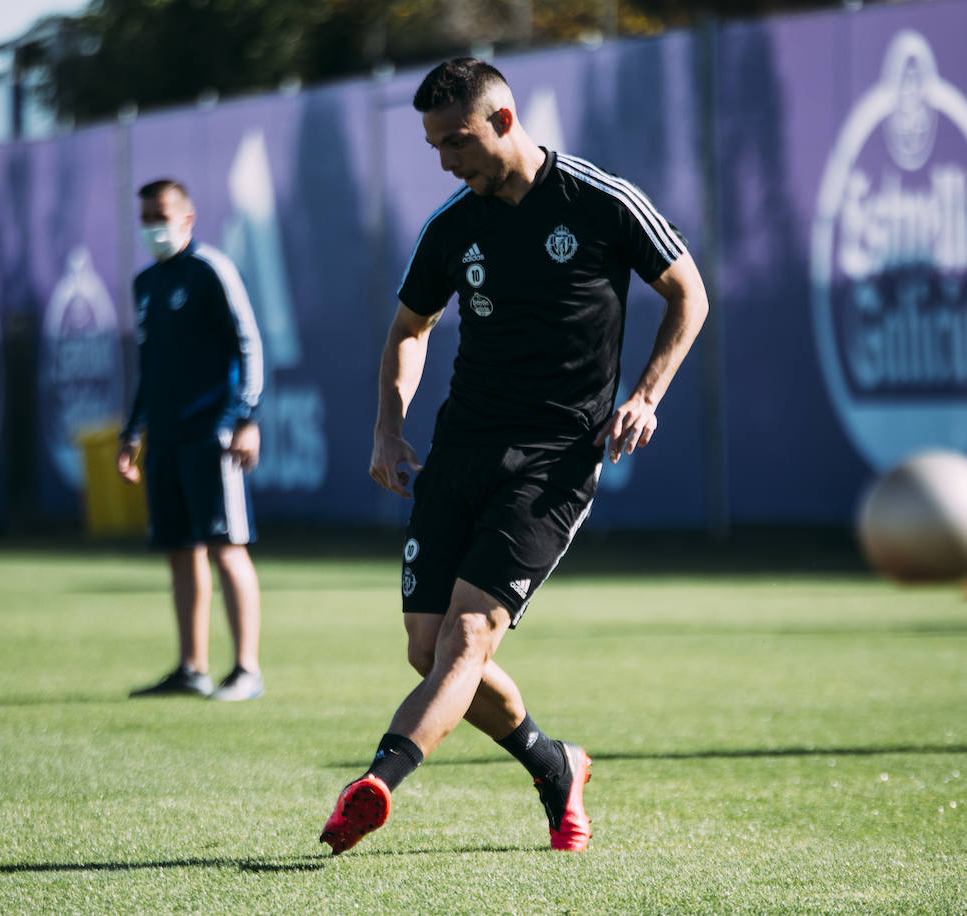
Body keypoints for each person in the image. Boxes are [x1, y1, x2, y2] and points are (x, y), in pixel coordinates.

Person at [320, 58, 709, 855]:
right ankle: (553, 763)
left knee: (466, 643)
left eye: (456, 141)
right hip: (460, 449)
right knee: (429, 650)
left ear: (502, 120)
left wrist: (646, 396)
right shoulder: (453, 224)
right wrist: (387, 428)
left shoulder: (600, 201)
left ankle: (376, 783)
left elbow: (689, 294)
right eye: (432, 147)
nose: (445, 161)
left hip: (555, 461)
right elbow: (409, 329)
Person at [116, 178, 266, 702]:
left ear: (187, 217)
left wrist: (246, 416)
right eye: (145, 219)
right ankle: (192, 668)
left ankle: (246, 669)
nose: (152, 228)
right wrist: (133, 431)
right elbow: (150, 367)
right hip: (167, 437)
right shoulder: (145, 284)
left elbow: (249, 343)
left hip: (214, 433)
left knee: (227, 546)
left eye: (160, 215)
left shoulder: (211, 270)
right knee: (180, 550)